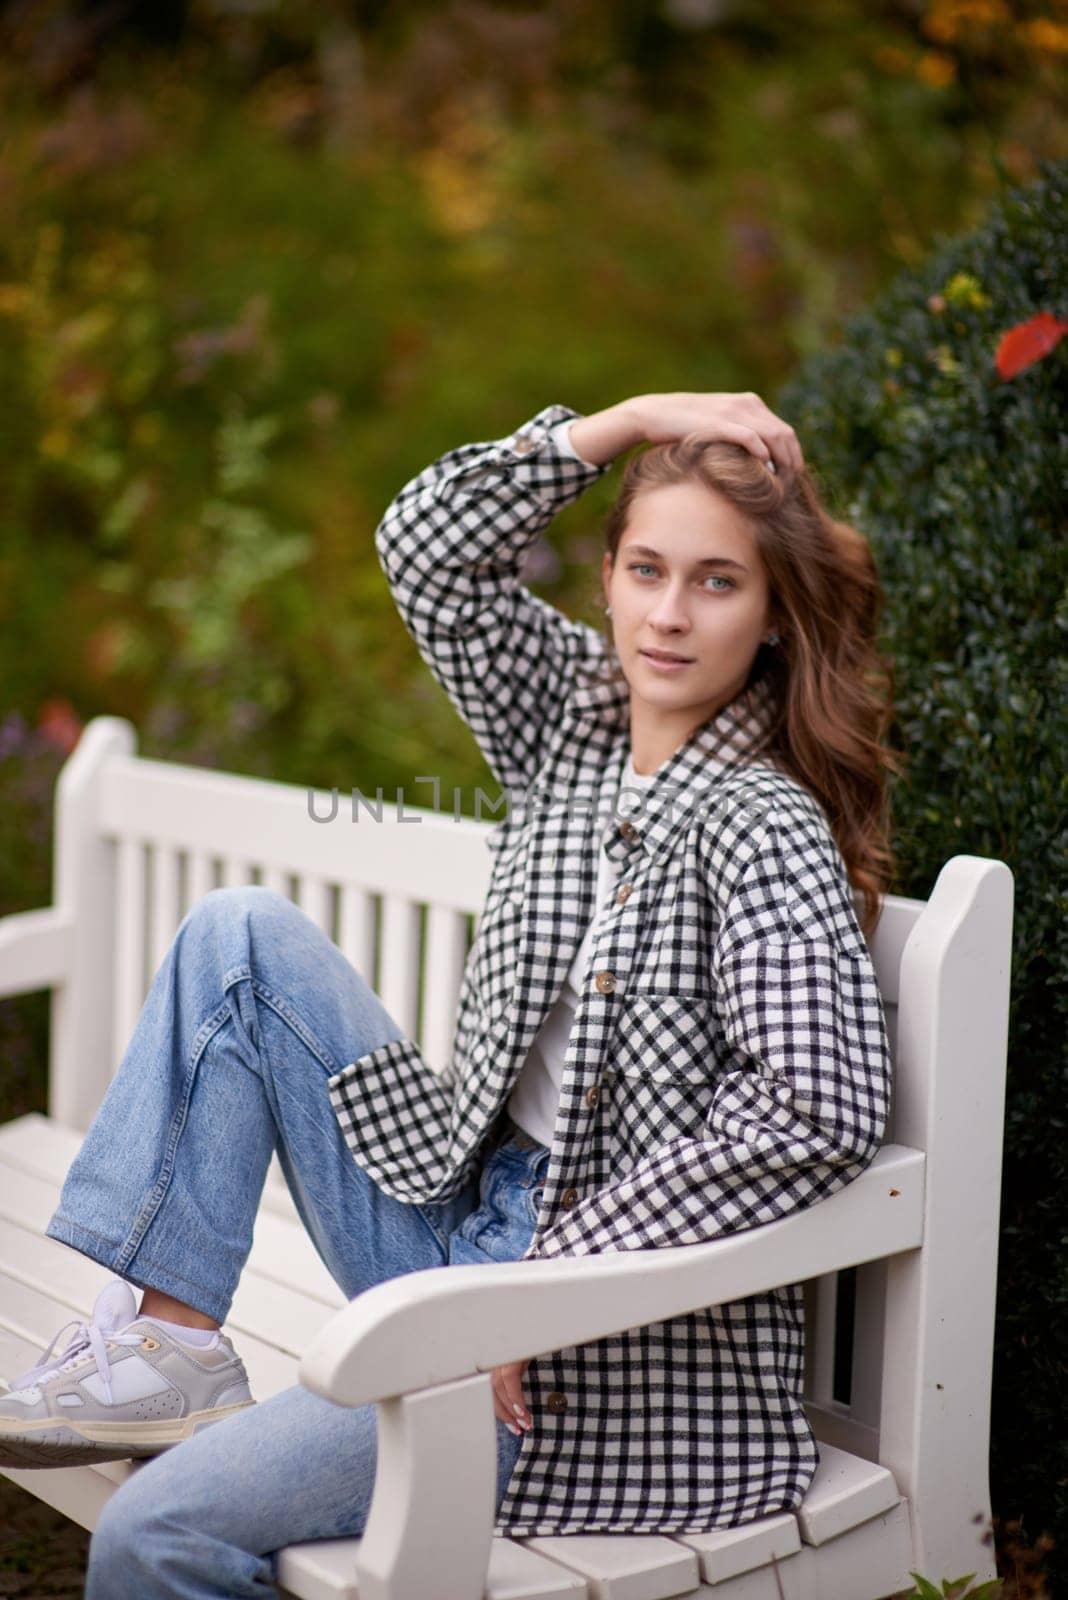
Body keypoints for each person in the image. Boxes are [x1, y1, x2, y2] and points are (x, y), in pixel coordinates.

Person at [0, 392, 896, 1597]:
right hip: (458, 1231)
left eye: (717, 582)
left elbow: (817, 1108)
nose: (669, 614)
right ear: (610, 582)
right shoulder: (574, 727)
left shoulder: (760, 825)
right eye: (645, 569)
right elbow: (426, 546)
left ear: (778, 614)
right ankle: (171, 1347)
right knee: (242, 939)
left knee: (153, 1538)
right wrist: (626, 422)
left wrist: (540, 1286)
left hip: (594, 1346)